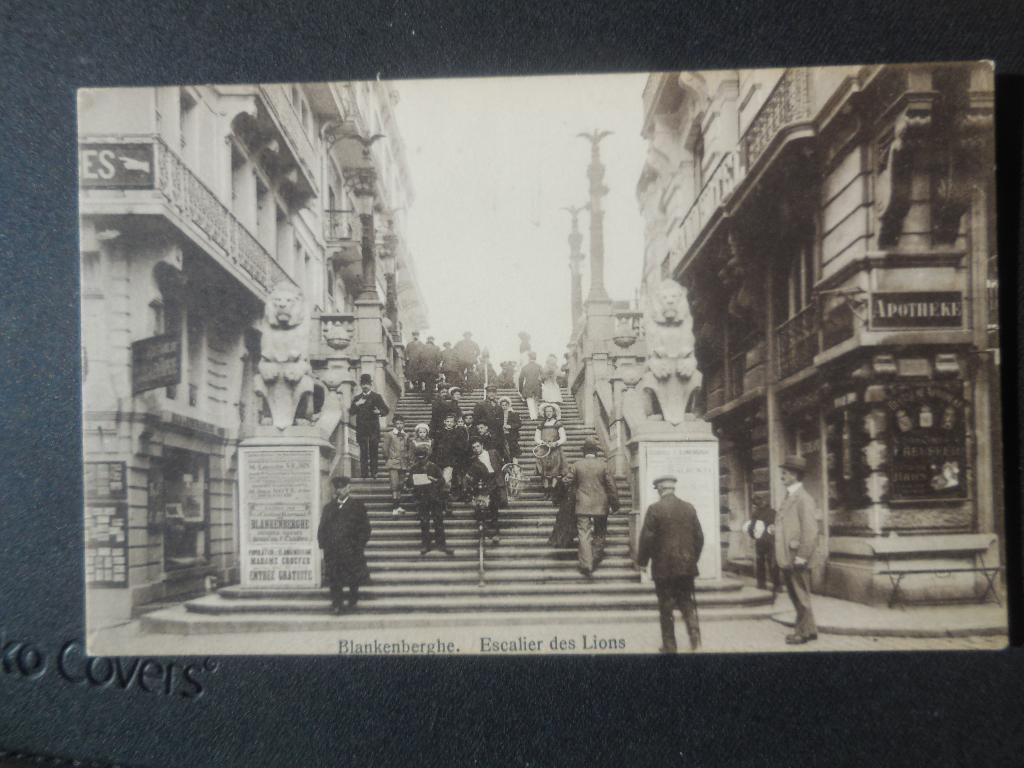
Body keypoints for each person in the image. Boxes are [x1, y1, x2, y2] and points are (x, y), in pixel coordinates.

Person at [638, 474, 704, 653]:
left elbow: (647, 539)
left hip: (663, 568)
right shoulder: (689, 508)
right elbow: (699, 538)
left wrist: (642, 562)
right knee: (687, 602)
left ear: (660, 489)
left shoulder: (655, 509)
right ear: (673, 488)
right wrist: (692, 558)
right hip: (686, 567)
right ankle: (695, 641)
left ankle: (670, 646)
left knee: (666, 607)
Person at [775, 455, 819, 645]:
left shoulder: (803, 499)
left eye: (786, 472)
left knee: (800, 596)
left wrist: (802, 556)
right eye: (783, 471)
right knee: (796, 595)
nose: (782, 475)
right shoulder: (789, 496)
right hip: (787, 556)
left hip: (797, 557)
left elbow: (811, 530)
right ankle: (810, 630)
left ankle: (801, 632)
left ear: (795, 475)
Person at [565, 438, 619, 576]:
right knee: (600, 532)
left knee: (584, 533)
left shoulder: (576, 465)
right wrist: (615, 504)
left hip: (582, 504)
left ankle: (586, 563)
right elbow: (611, 486)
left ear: (584, 452)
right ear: (596, 452)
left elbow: (567, 481)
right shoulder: (603, 465)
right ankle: (595, 557)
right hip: (601, 505)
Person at [317, 476, 371, 614]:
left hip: (351, 550)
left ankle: (353, 597)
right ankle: (337, 604)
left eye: (343, 487)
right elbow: (322, 529)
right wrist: (324, 546)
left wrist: (358, 545)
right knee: (335, 578)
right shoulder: (329, 508)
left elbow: (365, 529)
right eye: (338, 488)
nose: (340, 490)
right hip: (333, 551)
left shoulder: (357, 507)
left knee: (353, 577)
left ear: (349, 488)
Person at [408, 444, 453, 556]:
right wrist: (413, 482)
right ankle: (425, 544)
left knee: (438, 521)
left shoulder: (433, 467)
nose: (421, 459)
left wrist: (434, 480)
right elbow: (408, 483)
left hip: (435, 498)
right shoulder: (413, 468)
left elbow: (442, 481)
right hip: (422, 499)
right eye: (418, 456)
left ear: (427, 456)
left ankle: (441, 544)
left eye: (423, 456)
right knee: (424, 522)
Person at [464, 437, 506, 546]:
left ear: (482, 445)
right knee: (483, 508)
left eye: (478, 446)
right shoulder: (473, 460)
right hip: (485, 483)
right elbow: (471, 475)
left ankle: (496, 533)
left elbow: (502, 465)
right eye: (473, 447)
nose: (476, 449)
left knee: (495, 508)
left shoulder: (493, 452)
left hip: (497, 481)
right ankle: (485, 532)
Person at [351, 373, 389, 479]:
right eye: (363, 384)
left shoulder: (376, 397)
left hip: (373, 429)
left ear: (370, 385)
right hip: (361, 429)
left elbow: (386, 410)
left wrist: (379, 412)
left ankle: (374, 472)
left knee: (374, 451)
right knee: (363, 452)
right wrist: (357, 404)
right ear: (360, 385)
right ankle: (364, 473)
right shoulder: (357, 398)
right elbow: (351, 412)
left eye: (367, 384)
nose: (365, 386)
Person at [743, 495, 780, 593]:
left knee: (760, 563)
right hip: (772, 540)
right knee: (773, 563)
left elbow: (751, 528)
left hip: (760, 542)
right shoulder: (773, 512)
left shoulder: (756, 514)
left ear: (755, 504)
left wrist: (753, 536)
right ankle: (777, 585)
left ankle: (761, 584)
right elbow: (778, 526)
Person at [432, 413, 467, 509]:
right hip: (439, 461)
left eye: (451, 422)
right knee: (438, 481)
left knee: (447, 481)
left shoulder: (457, 433)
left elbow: (460, 448)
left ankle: (445, 503)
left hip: (449, 461)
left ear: (454, 423)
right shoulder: (439, 433)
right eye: (447, 421)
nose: (449, 423)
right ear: (444, 422)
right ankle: (439, 503)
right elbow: (434, 448)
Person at [533, 403, 567, 499]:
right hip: (544, 450)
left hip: (555, 450)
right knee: (544, 471)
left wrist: (555, 443)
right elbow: (536, 438)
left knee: (555, 471)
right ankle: (546, 491)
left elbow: (563, 437)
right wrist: (543, 442)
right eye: (546, 411)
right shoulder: (541, 424)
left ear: (553, 412)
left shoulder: (558, 424)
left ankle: (553, 491)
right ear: (544, 413)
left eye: (550, 411)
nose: (548, 413)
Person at [381, 416, 413, 515]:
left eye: (401, 423)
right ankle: (394, 508)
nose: (399, 425)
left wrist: (407, 458)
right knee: (394, 485)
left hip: (403, 464)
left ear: (404, 424)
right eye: (397, 423)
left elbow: (409, 448)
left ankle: (399, 506)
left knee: (400, 485)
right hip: (393, 463)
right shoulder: (389, 434)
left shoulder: (406, 435)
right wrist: (389, 459)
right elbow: (385, 449)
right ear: (394, 424)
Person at [547, 474, 577, 549]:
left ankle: (562, 541)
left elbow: (557, 496)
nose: (567, 479)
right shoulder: (574, 482)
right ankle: (565, 540)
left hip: (567, 507)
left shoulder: (563, 482)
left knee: (563, 524)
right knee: (567, 523)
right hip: (570, 506)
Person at [473, 384, 505, 452]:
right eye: (490, 392)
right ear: (487, 393)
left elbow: (501, 422)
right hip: (485, 435)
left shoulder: (499, 406)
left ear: (496, 393)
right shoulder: (480, 404)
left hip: (497, 436)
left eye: (493, 392)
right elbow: (475, 421)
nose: (492, 394)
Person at [518, 351, 543, 420]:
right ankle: (536, 415)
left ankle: (533, 417)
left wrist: (520, 389)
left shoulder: (525, 367)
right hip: (537, 386)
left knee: (530, 401)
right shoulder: (539, 366)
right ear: (535, 358)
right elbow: (543, 376)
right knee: (536, 401)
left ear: (529, 358)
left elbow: (520, 379)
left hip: (528, 386)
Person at [498, 396, 522, 463]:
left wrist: (510, 426)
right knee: (504, 453)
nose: (504, 407)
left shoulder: (514, 414)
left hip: (512, 436)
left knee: (513, 454)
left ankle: (515, 468)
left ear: (508, 405)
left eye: (506, 405)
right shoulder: (498, 415)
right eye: (502, 405)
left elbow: (519, 424)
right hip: (502, 436)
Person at [421, 336, 442, 402]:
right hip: (433, 369)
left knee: (427, 383)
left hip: (424, 369)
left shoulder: (422, 347)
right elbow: (439, 359)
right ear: (433, 340)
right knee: (431, 383)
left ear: (427, 340)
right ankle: (429, 398)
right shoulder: (436, 348)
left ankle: (427, 397)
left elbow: (419, 358)